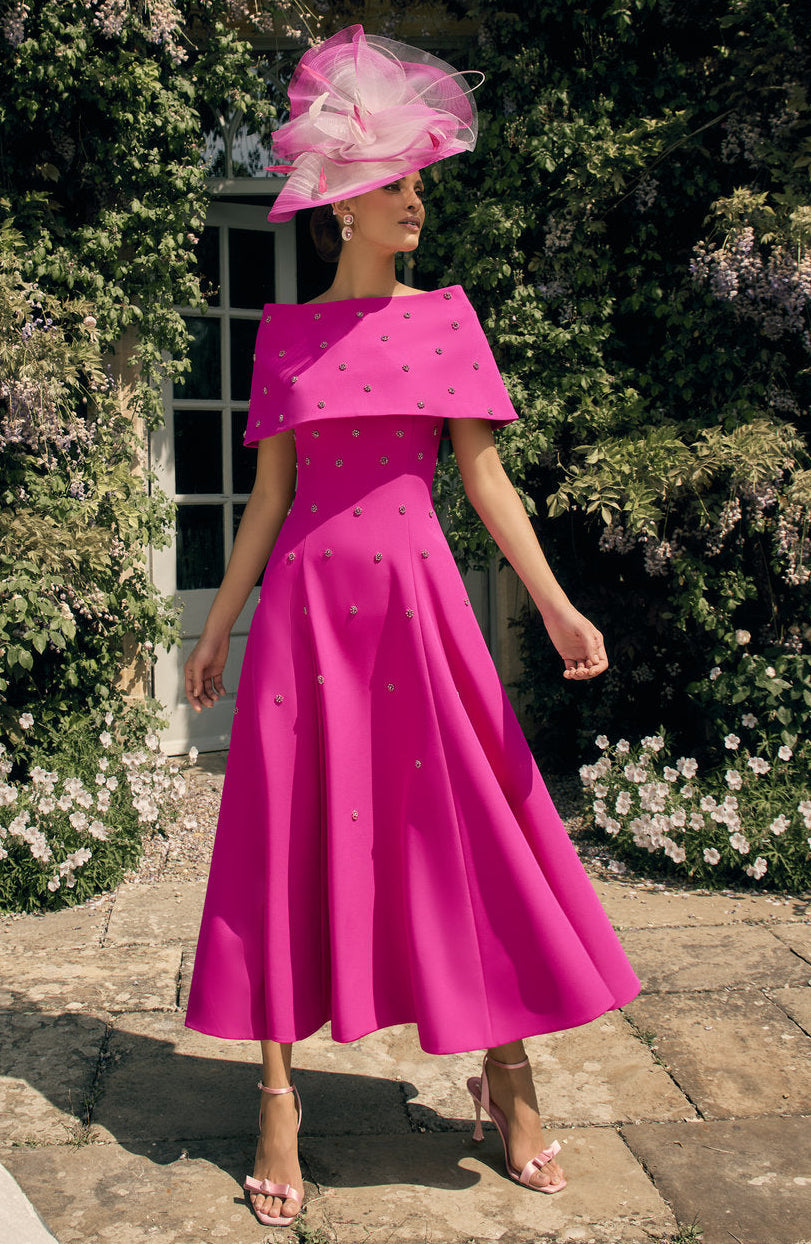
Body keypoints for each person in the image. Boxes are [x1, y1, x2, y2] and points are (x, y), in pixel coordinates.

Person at [183, 25, 640, 1230]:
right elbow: (268, 499)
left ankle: (507, 1075)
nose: (418, 205)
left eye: (420, 185)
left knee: (465, 833)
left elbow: (484, 482)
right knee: (286, 843)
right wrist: (221, 623)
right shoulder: (285, 339)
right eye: (400, 187)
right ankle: (276, 1095)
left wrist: (551, 598)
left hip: (421, 613)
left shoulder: (447, 316)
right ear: (346, 206)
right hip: (305, 628)